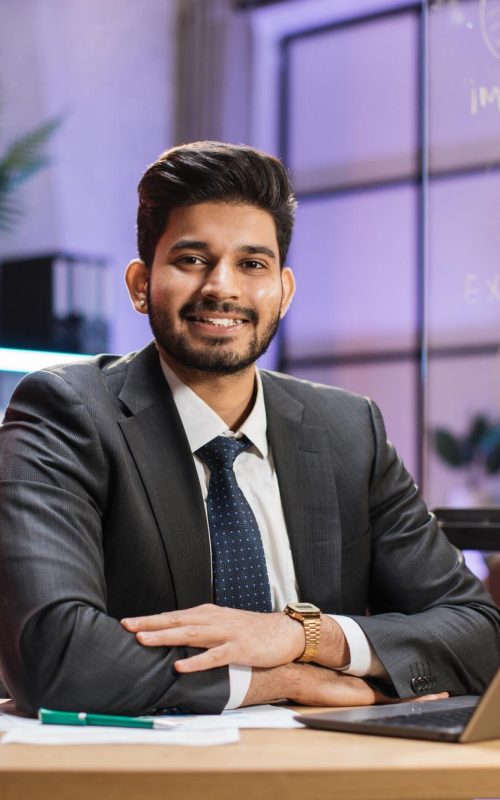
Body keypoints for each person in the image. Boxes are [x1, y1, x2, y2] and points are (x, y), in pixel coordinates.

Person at [0, 141, 498, 717]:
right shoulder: (64, 412)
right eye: (191, 259)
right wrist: (281, 681)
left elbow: (480, 632)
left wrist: (306, 637)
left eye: (252, 264)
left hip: (336, 773)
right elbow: (53, 657)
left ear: (284, 291)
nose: (223, 287)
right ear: (141, 284)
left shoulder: (348, 430)